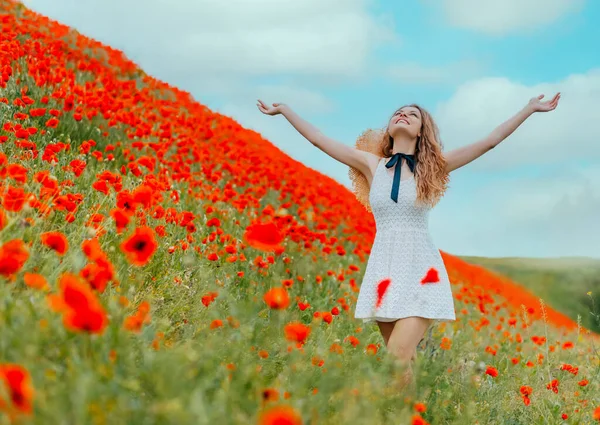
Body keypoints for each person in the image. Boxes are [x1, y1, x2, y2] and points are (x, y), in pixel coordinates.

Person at [256, 93, 561, 392]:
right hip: (384, 269)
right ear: (389, 128)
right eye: (398, 113)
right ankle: (411, 413)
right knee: (403, 363)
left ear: (421, 130)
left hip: (421, 270)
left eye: (412, 115)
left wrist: (529, 109)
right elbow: (319, 139)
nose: (403, 115)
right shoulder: (371, 164)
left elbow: (489, 141)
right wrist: (286, 111)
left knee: (397, 356)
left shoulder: (435, 165)